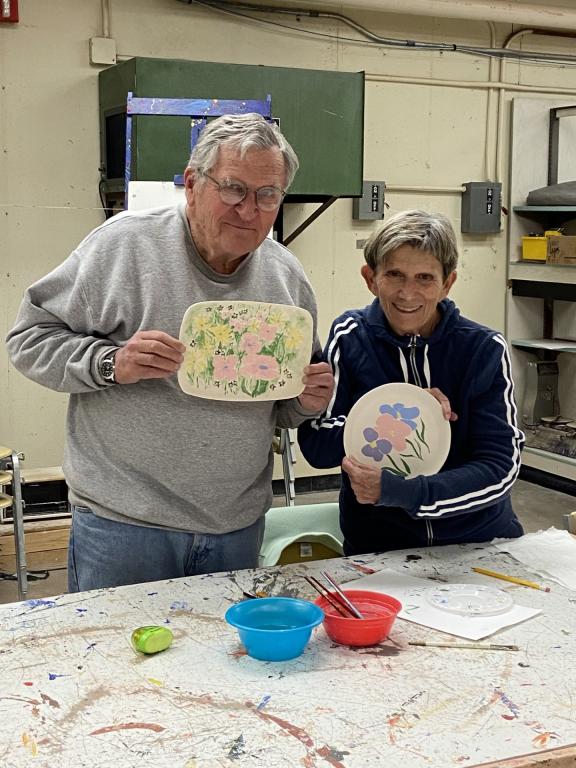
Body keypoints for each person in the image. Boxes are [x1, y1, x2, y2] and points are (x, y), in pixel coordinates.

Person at [6, 113, 334, 591]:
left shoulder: (286, 278)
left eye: (267, 195)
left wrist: (306, 403)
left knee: (226, 662)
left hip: (236, 527)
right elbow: (28, 339)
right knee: (117, 661)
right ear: (193, 183)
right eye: (234, 189)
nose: (249, 210)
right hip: (125, 525)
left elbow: (282, 406)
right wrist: (111, 363)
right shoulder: (124, 246)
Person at [298, 209, 524, 555]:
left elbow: (500, 468)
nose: (407, 293)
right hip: (379, 546)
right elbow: (317, 446)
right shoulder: (350, 337)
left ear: (447, 283)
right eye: (394, 274)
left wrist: (404, 493)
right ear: (370, 278)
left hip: (478, 542)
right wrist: (397, 412)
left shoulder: (482, 349)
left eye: (424, 278)